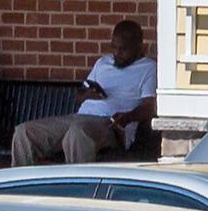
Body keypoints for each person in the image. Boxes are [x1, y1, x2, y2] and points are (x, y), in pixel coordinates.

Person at [11, 20, 157, 166]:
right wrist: (87, 94)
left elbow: (149, 107)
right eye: (114, 48)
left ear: (139, 45)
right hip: (79, 117)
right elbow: (79, 98)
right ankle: (15, 185)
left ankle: (77, 186)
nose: (117, 53)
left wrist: (128, 117)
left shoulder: (148, 68)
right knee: (25, 132)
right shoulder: (102, 63)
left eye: (123, 49)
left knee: (77, 133)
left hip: (110, 125)